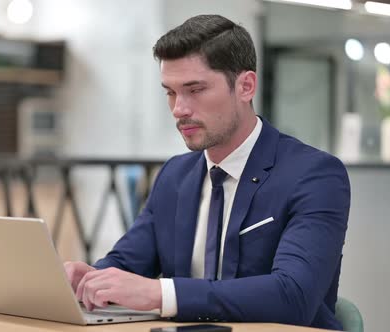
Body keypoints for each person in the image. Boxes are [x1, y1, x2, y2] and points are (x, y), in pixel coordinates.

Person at [64, 14, 350, 330]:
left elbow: (293, 295)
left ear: (246, 86)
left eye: (195, 89)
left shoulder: (315, 175)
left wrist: (161, 293)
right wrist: (90, 279)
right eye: (170, 92)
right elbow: (126, 264)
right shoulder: (175, 175)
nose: (178, 109)